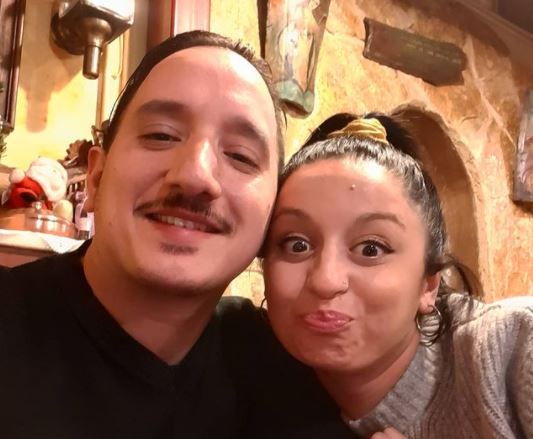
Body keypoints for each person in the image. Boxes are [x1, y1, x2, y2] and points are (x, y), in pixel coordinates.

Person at [0, 30, 290, 438]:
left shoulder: (283, 368)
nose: (195, 175)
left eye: (240, 156)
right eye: (161, 135)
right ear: (96, 177)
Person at [261, 113, 533, 438]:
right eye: (297, 244)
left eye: (371, 249)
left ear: (429, 284)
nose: (325, 280)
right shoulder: (255, 383)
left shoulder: (516, 347)